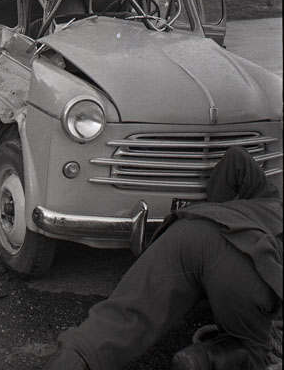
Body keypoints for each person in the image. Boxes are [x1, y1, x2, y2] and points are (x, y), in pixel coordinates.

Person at [44, 146, 282, 370]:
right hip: (245, 257)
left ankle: (70, 360)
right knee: (255, 351)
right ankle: (202, 359)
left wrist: (217, 215)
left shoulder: (271, 198)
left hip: (192, 230)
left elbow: (237, 158)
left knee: (123, 318)